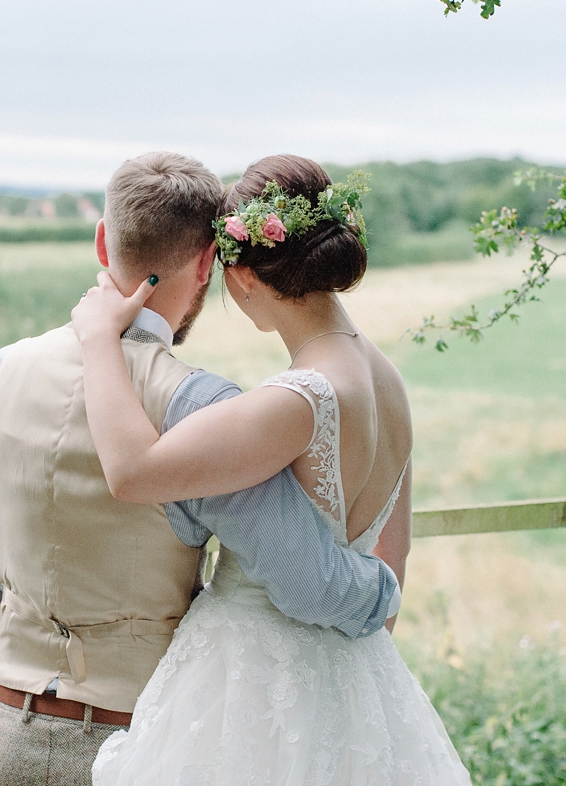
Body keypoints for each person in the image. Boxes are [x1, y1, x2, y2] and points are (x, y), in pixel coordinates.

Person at [0, 152, 401, 786]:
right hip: (141, 744)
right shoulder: (202, 406)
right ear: (209, 264)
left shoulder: (0, 373)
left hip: (2, 734)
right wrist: (385, 593)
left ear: (104, 242)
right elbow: (309, 579)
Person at [73, 154, 472, 784]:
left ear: (249, 277)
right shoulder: (387, 381)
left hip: (250, 677)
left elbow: (131, 470)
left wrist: (98, 339)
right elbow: (390, 567)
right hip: (358, 675)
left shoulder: (300, 397)